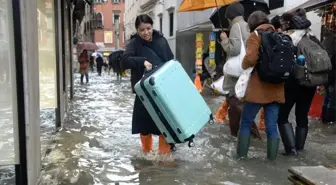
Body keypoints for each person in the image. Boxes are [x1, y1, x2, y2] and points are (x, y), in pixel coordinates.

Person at [121, 14, 174, 155]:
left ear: (152, 26)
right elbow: (125, 61)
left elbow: (171, 61)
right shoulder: (134, 44)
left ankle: (165, 156)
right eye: (142, 30)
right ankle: (146, 153)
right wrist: (142, 61)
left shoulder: (161, 40)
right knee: (144, 125)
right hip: (143, 90)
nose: (146, 33)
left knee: (166, 123)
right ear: (137, 31)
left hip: (162, 89)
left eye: (148, 28)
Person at [237, 11, 284, 161]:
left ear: (251, 23)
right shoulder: (279, 35)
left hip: (258, 89)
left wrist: (243, 63)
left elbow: (249, 60)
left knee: (245, 122)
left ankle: (241, 157)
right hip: (277, 88)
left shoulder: (255, 36)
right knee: (271, 127)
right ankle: (272, 161)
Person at [217, 2, 262, 137]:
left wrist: (224, 40)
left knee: (234, 103)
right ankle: (247, 133)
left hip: (236, 73)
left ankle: (241, 134)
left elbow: (234, 50)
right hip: (247, 72)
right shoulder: (248, 26)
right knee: (240, 103)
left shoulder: (236, 27)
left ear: (230, 16)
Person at [278, 10, 318, 155]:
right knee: (302, 116)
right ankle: (299, 148)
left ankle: (290, 150)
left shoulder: (289, 38)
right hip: (311, 82)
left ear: (289, 23)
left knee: (282, 116)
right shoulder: (313, 36)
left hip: (292, 83)